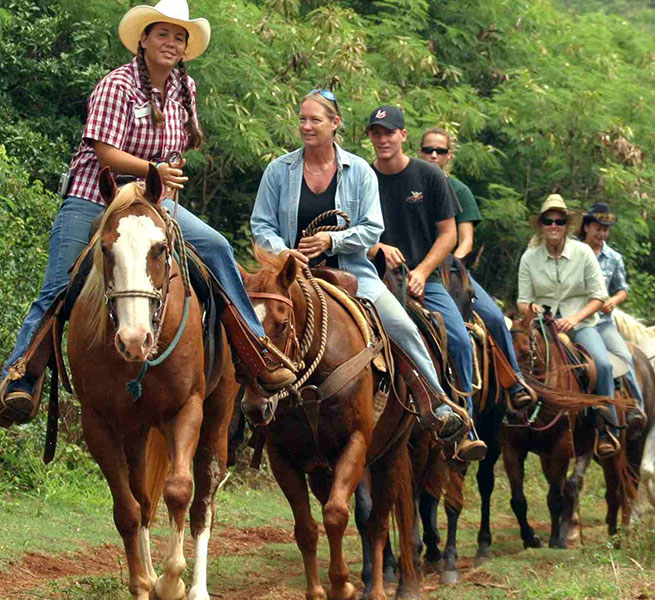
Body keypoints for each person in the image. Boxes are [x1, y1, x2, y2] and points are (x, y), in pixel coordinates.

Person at [0, 0, 273, 426]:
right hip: (95, 195)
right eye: (162, 33)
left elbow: (175, 153)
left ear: (185, 48)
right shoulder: (117, 84)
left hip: (152, 204)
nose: (171, 42)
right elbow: (104, 152)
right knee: (60, 284)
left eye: (179, 37)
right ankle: (20, 376)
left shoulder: (186, 89)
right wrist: (153, 170)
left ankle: (255, 352)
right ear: (143, 39)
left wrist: (162, 178)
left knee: (218, 249)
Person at [251, 92, 481, 461]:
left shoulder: (359, 171)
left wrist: (332, 238)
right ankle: (242, 417)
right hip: (291, 275)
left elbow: (372, 229)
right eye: (303, 120)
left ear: (334, 123)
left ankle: (437, 405)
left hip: (351, 273)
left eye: (316, 120)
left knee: (401, 327)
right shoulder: (279, 170)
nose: (307, 127)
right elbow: (261, 223)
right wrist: (283, 252)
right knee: (248, 321)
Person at [366, 105, 486, 461]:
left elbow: (448, 235)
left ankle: (466, 428)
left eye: (389, 132)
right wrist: (377, 246)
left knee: (462, 342)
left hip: (426, 279)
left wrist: (421, 272)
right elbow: (349, 229)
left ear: (403, 136)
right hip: (371, 278)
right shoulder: (361, 176)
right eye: (376, 132)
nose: (383, 139)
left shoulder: (430, 177)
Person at [417, 128, 534, 409]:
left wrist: (449, 262)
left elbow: (466, 240)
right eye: (428, 150)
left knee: (493, 316)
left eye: (440, 151)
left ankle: (514, 380)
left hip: (449, 268)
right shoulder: (410, 184)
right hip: (410, 267)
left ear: (449, 156)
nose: (434, 155)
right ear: (419, 151)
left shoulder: (459, 190)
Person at [516, 194, 620, 458]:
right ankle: (510, 417)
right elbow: (523, 301)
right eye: (548, 221)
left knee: (604, 364)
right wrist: (533, 310)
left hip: (580, 324)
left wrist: (574, 319)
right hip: (542, 327)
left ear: (567, 225)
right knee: (516, 357)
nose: (554, 226)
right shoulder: (529, 258)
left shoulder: (584, 253)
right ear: (541, 225)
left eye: (559, 221)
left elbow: (599, 297)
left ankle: (607, 427)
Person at [579, 202, 646, 431]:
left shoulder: (614, 257)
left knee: (625, 358)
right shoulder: (573, 253)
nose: (602, 234)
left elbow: (622, 289)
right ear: (586, 227)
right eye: (598, 228)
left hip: (604, 322)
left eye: (606, 230)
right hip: (577, 320)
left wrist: (614, 301)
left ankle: (635, 406)